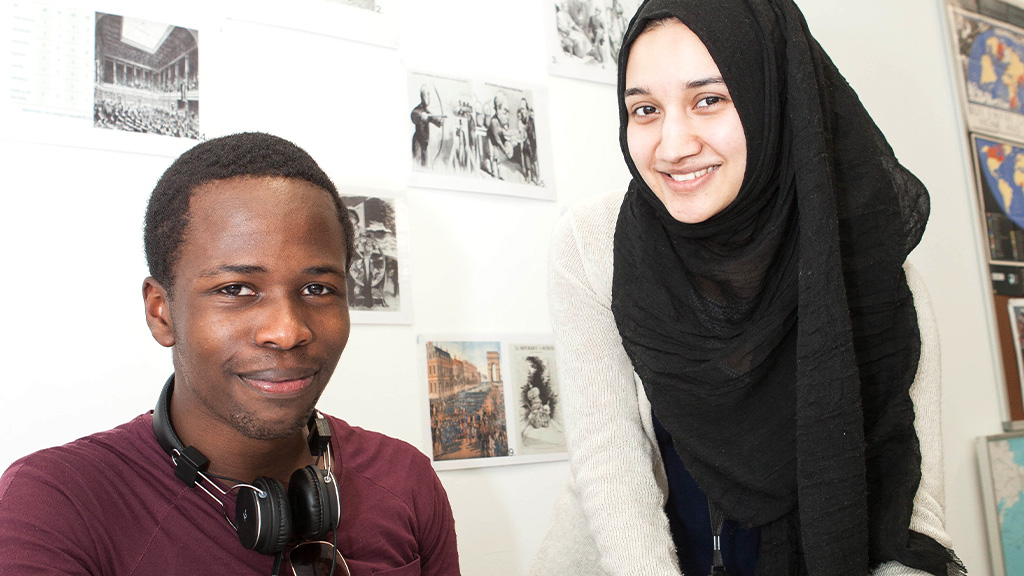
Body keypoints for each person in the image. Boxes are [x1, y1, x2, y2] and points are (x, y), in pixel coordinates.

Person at [532, 1, 965, 576]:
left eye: (708, 99)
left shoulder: (870, 265)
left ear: (774, 98)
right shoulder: (590, 247)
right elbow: (611, 468)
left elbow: (912, 503)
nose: (672, 144)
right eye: (645, 109)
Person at [0, 132, 460, 576]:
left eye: (317, 288)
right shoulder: (54, 503)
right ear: (162, 313)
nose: (287, 331)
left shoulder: (405, 479)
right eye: (235, 289)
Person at [411, 85, 445, 167]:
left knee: (424, 166)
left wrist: (440, 121)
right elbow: (414, 115)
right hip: (418, 143)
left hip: (424, 144)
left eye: (429, 95)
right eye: (426, 95)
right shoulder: (418, 110)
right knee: (416, 166)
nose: (428, 97)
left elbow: (432, 118)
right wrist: (422, 115)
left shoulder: (426, 111)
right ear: (422, 96)